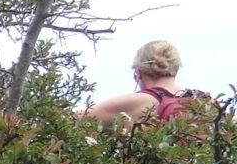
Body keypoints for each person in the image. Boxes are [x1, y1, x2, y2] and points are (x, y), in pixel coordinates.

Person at [80, 40, 209, 125]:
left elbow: (74, 120)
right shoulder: (204, 100)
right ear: (175, 69)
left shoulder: (142, 101)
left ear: (139, 72)